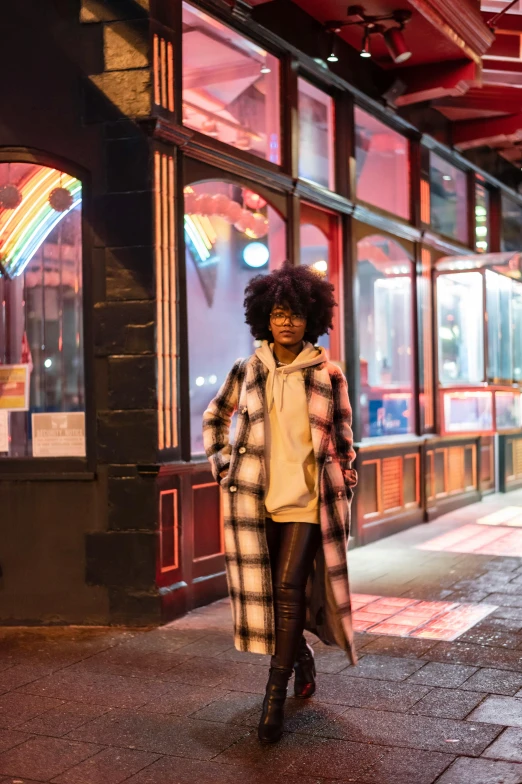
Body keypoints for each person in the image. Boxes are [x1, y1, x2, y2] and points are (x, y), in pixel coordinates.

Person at [203, 262, 358, 744]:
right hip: (255, 499)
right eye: (277, 313)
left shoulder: (328, 373)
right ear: (264, 319)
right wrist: (223, 463)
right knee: (271, 590)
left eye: (294, 313)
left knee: (289, 588)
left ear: (310, 318)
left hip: (309, 503)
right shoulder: (247, 370)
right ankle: (302, 659)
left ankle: (273, 699)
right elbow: (215, 417)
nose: (286, 321)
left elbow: (346, 437)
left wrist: (345, 479)